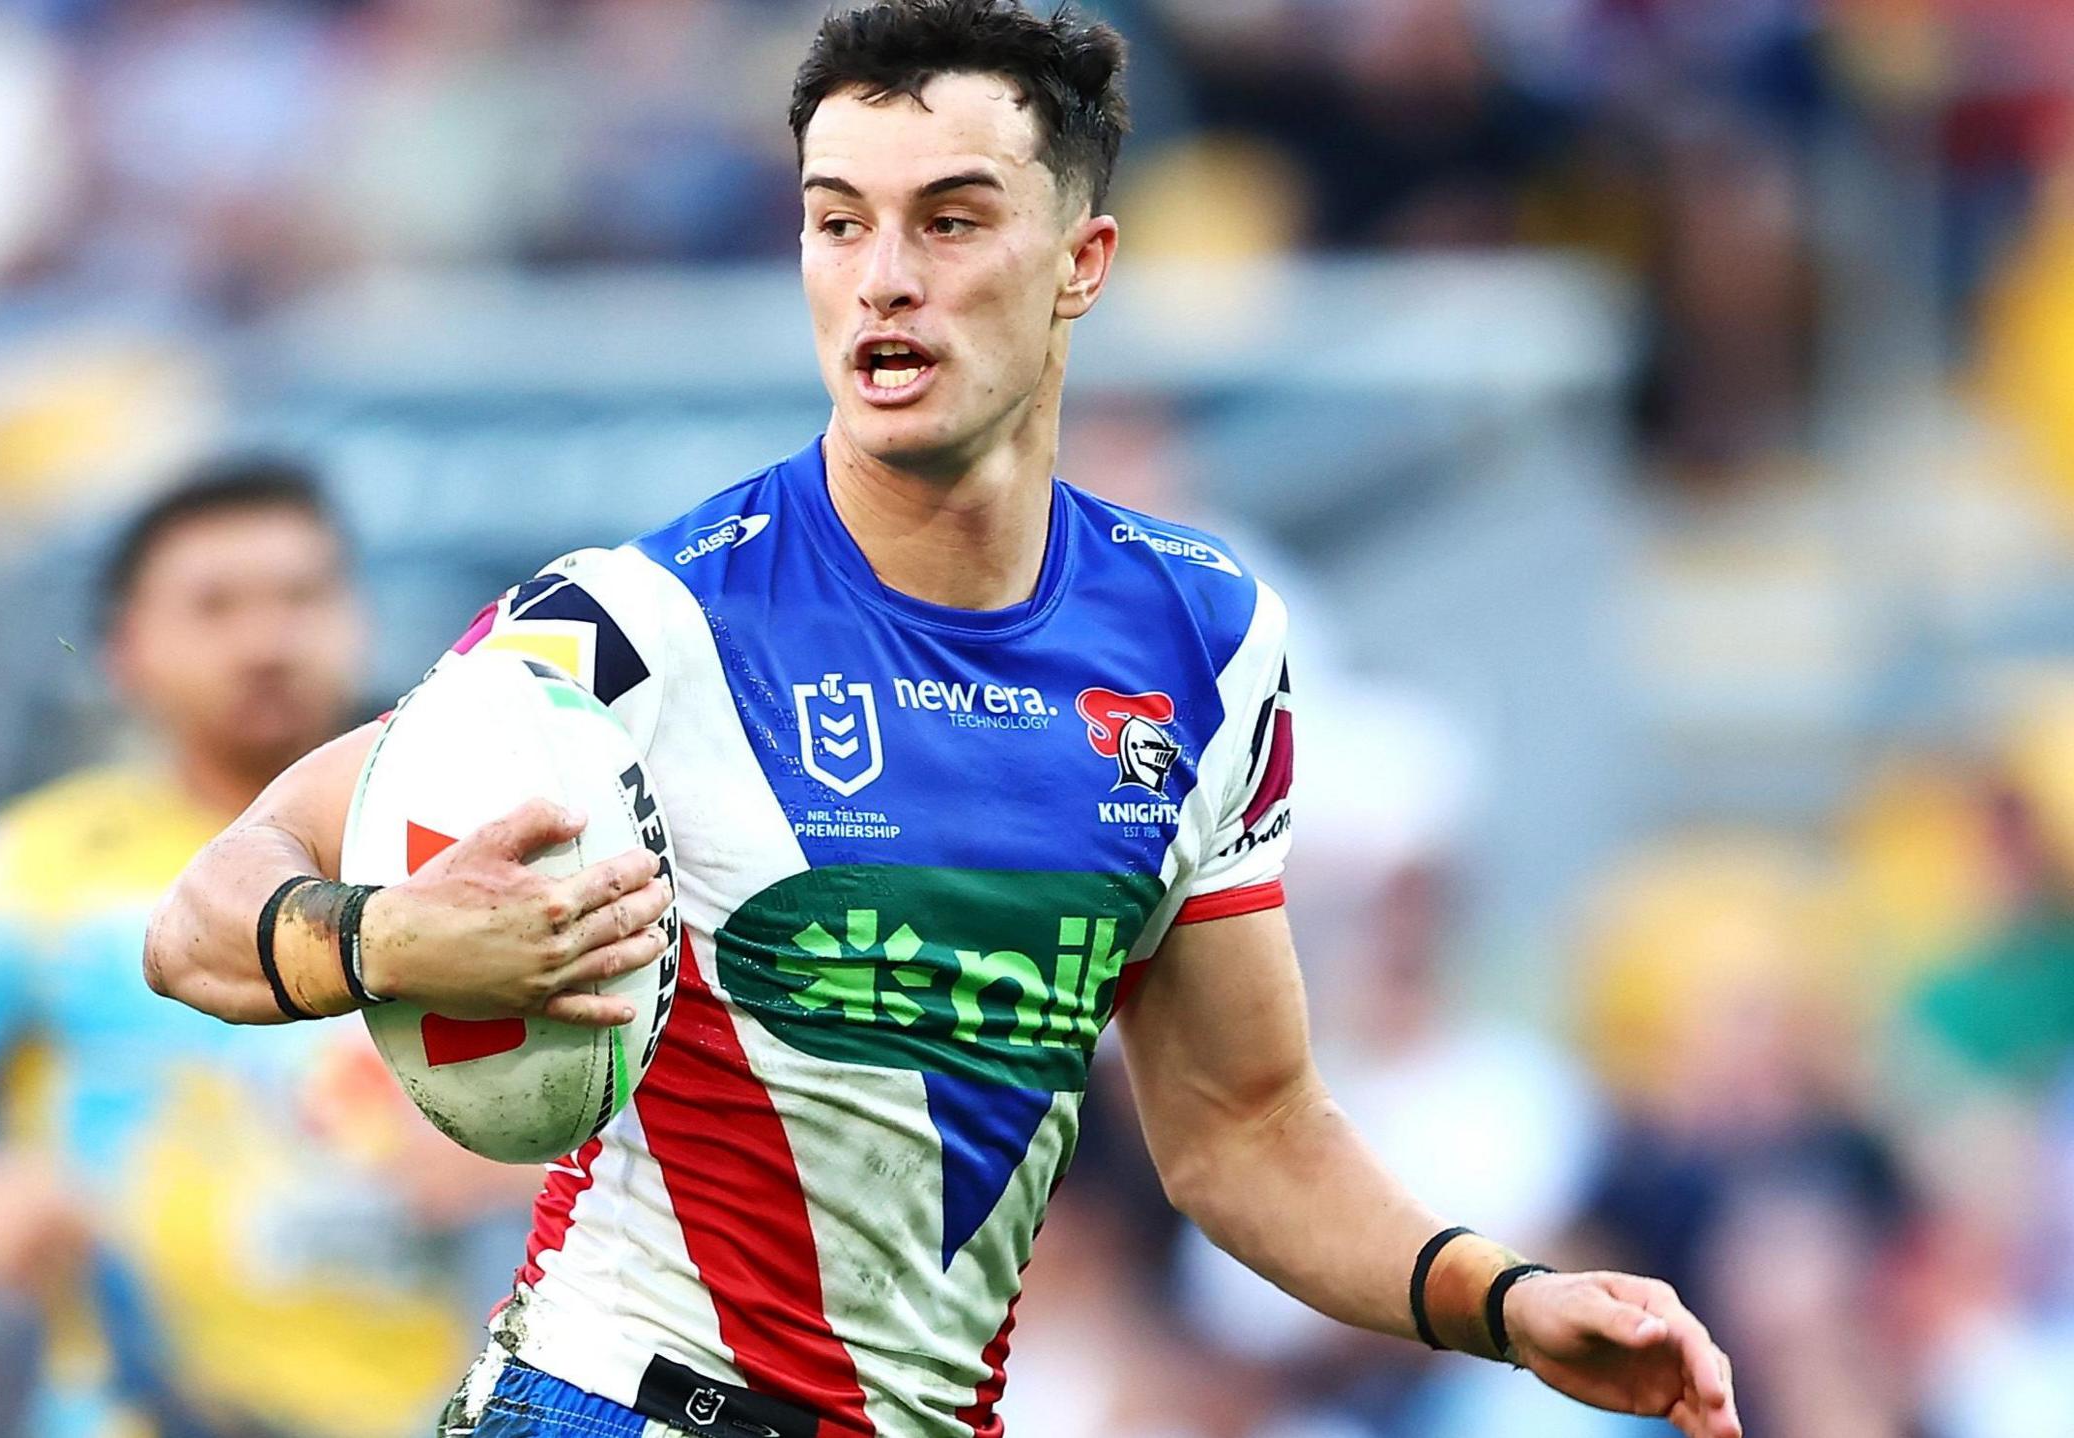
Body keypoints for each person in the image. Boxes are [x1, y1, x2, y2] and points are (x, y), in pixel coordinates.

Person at [140, 5, 1743, 1436]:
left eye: (951, 219)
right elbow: (203, 916)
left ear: (1082, 265)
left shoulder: (1207, 641)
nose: (885, 277)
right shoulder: (650, 623)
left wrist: (1508, 1304)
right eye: (839, 224)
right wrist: (391, 940)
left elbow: (1242, 1128)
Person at [0, 459, 531, 1438]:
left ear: (359, 619)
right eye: (214, 606)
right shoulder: (31, 872)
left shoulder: (463, 848)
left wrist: (531, 1158)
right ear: (125, 652)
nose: (265, 639)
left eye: (302, 596)